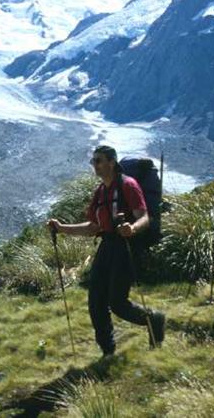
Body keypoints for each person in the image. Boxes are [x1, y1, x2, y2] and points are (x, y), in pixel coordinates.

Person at [47, 145, 166, 356]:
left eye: (99, 160)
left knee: (117, 303)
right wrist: (62, 228)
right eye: (93, 161)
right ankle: (107, 350)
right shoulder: (101, 192)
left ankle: (153, 319)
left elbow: (144, 217)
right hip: (107, 245)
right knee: (95, 302)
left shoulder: (128, 185)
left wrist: (132, 228)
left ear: (112, 162)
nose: (95, 165)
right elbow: (93, 227)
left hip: (126, 246)